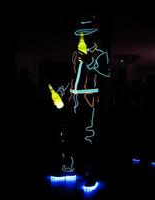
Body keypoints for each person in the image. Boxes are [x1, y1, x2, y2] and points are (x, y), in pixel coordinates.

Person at [50, 16, 111, 187]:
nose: (83, 37)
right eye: (81, 34)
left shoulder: (101, 54)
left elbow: (106, 74)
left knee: (89, 136)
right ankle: (68, 167)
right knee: (67, 133)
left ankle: (90, 172)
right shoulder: (75, 54)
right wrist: (63, 89)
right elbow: (73, 76)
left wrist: (90, 61)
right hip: (73, 98)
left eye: (87, 34)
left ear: (94, 36)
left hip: (89, 99)